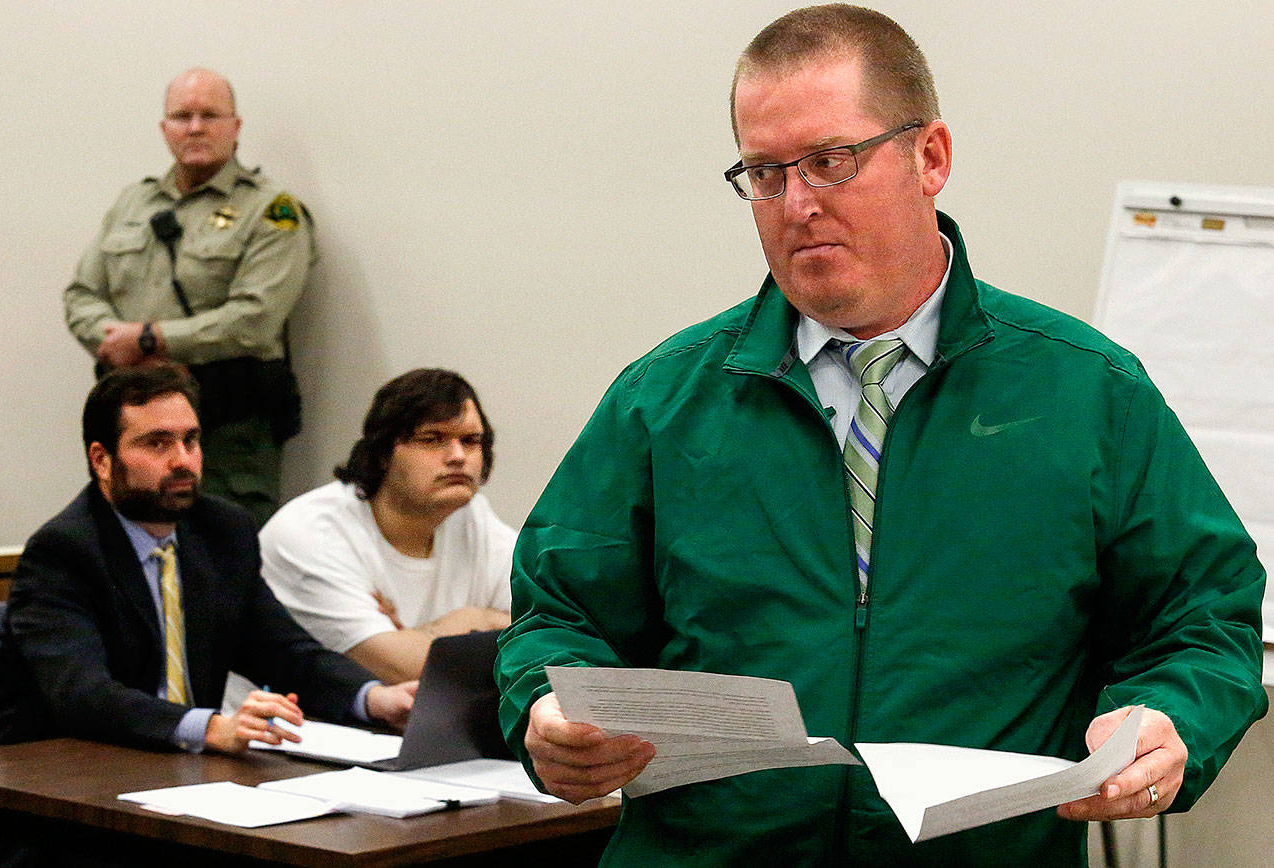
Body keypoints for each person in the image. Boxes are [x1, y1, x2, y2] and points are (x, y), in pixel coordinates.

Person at [493, 5, 1266, 865]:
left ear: (929, 157)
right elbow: (558, 612)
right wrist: (546, 713)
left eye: (830, 162)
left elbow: (1205, 618)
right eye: (763, 173)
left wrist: (1171, 718)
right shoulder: (665, 402)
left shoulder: (1085, 394)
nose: (796, 205)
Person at [0, 365, 415, 755]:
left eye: (191, 440)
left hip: (179, 774)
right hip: (54, 795)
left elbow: (283, 651)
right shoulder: (63, 552)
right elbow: (83, 693)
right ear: (102, 460)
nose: (182, 461)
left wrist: (375, 698)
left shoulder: (223, 532)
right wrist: (211, 728)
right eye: (157, 444)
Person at [63, 67, 314, 525]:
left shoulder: (272, 210)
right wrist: (128, 349)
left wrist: (151, 339)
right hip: (133, 426)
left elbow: (255, 318)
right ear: (164, 129)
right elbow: (82, 295)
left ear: (236, 127)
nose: (195, 127)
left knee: (225, 562)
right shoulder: (133, 204)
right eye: (182, 116)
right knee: (127, 555)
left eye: (209, 115)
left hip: (227, 429)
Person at [259, 369, 514, 685]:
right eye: (432, 440)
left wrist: (469, 621)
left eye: (470, 440)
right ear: (382, 453)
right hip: (291, 726)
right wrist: (492, 626)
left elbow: (557, 632)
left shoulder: (473, 517)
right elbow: (409, 670)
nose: (458, 456)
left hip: (419, 722)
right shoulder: (310, 532)